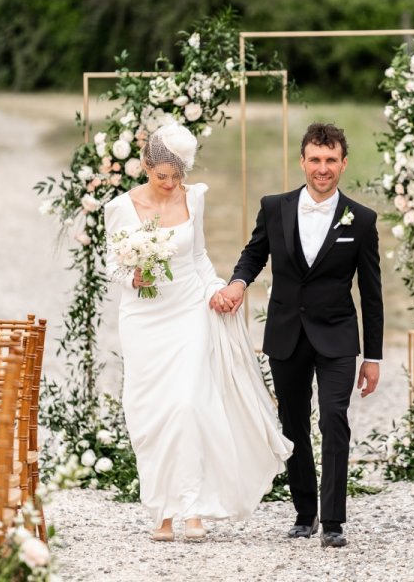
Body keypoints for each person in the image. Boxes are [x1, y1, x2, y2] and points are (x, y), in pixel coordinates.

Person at [103, 123, 292, 542]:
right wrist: (133, 276)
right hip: (144, 317)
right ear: (146, 166)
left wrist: (218, 289)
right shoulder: (120, 207)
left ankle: (192, 509)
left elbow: (200, 255)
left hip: (189, 308)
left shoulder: (195, 198)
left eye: (178, 176)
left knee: (188, 404)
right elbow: (111, 266)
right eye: (162, 176)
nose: (170, 185)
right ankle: (162, 512)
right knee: (151, 412)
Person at [215, 122, 384, 548]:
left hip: (338, 337)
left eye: (330, 160)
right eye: (315, 159)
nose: (322, 168)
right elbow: (254, 253)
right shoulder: (275, 207)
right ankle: (304, 512)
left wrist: (373, 357)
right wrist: (238, 283)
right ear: (302, 161)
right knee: (293, 424)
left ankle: (333, 521)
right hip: (287, 333)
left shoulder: (361, 220)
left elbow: (372, 292)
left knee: (333, 418)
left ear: (343, 163)